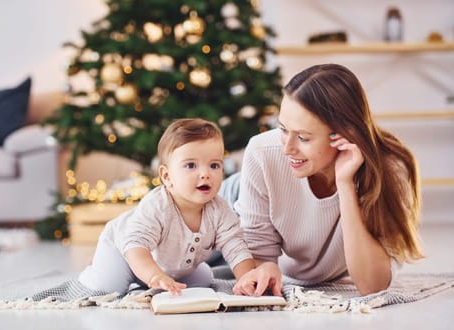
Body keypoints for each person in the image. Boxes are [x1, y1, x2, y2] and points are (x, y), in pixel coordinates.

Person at [232, 63, 424, 297]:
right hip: (226, 204)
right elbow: (259, 256)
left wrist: (346, 184)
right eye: (282, 129)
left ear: (343, 134)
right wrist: (264, 268)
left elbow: (373, 286)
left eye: (303, 137)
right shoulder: (263, 151)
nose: (288, 148)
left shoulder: (390, 170)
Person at [78, 118, 255, 296]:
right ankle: (96, 268)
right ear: (167, 176)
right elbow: (136, 245)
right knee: (108, 288)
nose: (205, 174)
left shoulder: (219, 210)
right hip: (125, 252)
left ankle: (150, 280)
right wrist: (154, 275)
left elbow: (235, 245)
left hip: (168, 265)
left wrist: (246, 278)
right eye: (191, 165)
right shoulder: (158, 206)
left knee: (203, 280)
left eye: (214, 165)